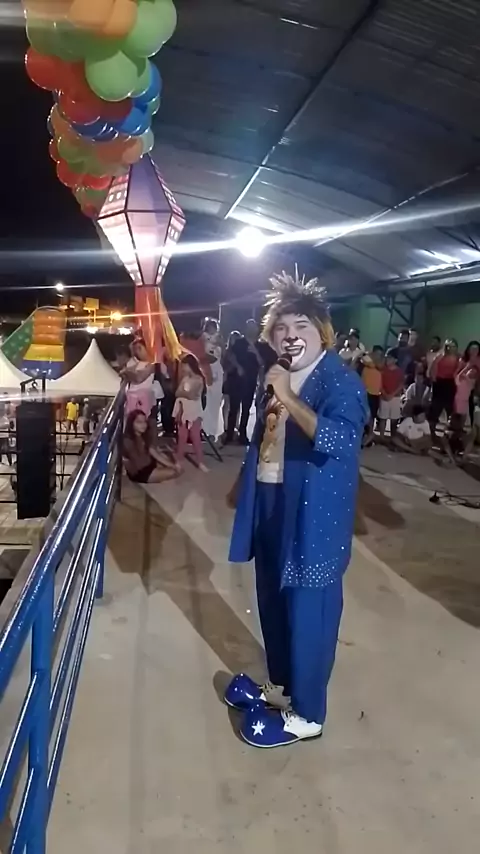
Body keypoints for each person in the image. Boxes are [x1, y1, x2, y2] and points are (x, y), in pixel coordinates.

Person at [224, 271, 368, 749]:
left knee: (310, 613)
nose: (290, 335)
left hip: (312, 516)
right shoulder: (276, 377)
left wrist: (287, 395)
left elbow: (343, 441)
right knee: (272, 600)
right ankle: (283, 685)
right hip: (271, 502)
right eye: (282, 327)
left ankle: (308, 714)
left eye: (301, 326)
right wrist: (244, 483)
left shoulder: (340, 382)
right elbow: (265, 435)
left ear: (322, 333)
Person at [224, 319, 275, 446]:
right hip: (236, 379)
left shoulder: (261, 346)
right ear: (246, 329)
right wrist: (238, 366)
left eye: (254, 327)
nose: (252, 330)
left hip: (250, 380)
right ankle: (229, 434)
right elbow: (230, 355)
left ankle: (242, 434)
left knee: (246, 409)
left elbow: (262, 363)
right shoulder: (239, 343)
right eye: (249, 327)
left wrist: (256, 352)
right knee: (234, 408)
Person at [123, 410, 180, 484]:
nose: (143, 425)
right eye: (139, 422)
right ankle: (159, 477)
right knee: (173, 472)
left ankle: (160, 475)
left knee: (171, 463)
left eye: (144, 422)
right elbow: (138, 465)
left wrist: (172, 465)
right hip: (141, 472)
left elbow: (153, 451)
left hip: (149, 464)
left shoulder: (144, 435)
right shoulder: (128, 441)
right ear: (131, 424)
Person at [173, 354, 208, 472]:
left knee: (195, 436)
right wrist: (184, 394)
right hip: (182, 409)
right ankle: (179, 460)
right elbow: (177, 393)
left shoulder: (199, 379)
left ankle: (200, 462)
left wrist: (183, 394)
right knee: (182, 436)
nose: (183, 368)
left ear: (190, 365)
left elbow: (192, 395)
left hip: (194, 410)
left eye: (184, 366)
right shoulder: (185, 379)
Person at [429, 338, 460, 436]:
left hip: (451, 384)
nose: (450, 348)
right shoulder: (439, 357)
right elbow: (432, 370)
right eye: (448, 346)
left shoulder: (458, 358)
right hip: (439, 383)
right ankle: (431, 431)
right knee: (435, 408)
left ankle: (451, 433)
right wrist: (434, 383)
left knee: (450, 408)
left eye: (453, 346)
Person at [201, 317, 224, 441]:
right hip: (206, 369)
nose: (212, 329)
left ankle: (213, 431)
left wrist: (221, 344)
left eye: (214, 327)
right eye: (210, 326)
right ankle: (204, 430)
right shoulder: (203, 338)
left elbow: (223, 356)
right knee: (206, 402)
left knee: (215, 403)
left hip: (218, 371)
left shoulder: (219, 338)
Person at [122, 338, 156, 418]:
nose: (137, 352)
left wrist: (128, 373)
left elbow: (139, 378)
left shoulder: (151, 365)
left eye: (139, 348)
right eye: (136, 349)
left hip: (143, 397)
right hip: (131, 396)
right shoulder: (137, 363)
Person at [358, 345, 384, 446]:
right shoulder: (365, 359)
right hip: (365, 391)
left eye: (380, 355)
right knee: (363, 415)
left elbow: (379, 366)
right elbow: (363, 360)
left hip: (375, 393)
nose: (378, 356)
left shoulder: (380, 362)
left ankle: (370, 435)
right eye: (377, 354)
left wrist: (372, 363)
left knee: (372, 416)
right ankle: (364, 435)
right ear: (373, 353)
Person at [378, 348, 404, 441]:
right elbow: (379, 383)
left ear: (395, 360)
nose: (387, 360)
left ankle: (393, 437)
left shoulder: (399, 371)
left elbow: (401, 385)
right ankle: (381, 437)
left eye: (390, 358)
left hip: (395, 397)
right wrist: (384, 393)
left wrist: (392, 394)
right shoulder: (383, 370)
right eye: (387, 357)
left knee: (394, 418)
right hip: (384, 396)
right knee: (383, 418)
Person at [221, 330, 241, 435]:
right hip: (229, 378)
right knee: (227, 403)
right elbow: (223, 366)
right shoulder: (227, 352)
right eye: (233, 339)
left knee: (237, 404)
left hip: (238, 379)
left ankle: (236, 423)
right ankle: (226, 424)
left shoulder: (241, 352)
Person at [458, 341, 480, 426]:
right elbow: (458, 373)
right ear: (468, 350)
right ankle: (459, 425)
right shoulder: (463, 360)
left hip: (476, 386)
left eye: (476, 349)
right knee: (462, 407)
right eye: (472, 349)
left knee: (473, 406)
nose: (474, 351)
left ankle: (473, 425)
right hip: (464, 387)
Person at [454, 363, 479, 427]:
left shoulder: (471, 382)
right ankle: (454, 427)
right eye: (471, 371)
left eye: (474, 373)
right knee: (456, 414)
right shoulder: (462, 378)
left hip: (465, 400)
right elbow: (458, 377)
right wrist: (465, 369)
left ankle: (460, 427)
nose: (472, 373)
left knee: (463, 415)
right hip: (458, 399)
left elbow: (471, 384)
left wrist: (465, 374)